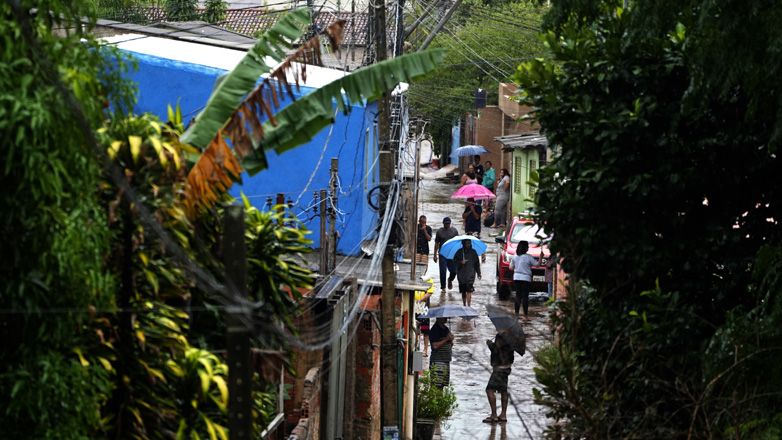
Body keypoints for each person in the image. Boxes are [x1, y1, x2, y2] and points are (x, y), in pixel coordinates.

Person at [483, 331, 515, 424]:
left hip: (499, 368)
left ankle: (494, 415)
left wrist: (490, 344)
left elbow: (497, 350)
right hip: (507, 367)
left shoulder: (501, 336)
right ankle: (503, 415)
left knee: (489, 390)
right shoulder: (511, 336)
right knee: (503, 390)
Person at [510, 241, 537, 317]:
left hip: (517, 278)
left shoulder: (515, 257)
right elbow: (537, 265)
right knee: (525, 296)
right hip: (526, 279)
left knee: (518, 296)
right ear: (526, 248)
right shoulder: (529, 257)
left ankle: (516, 313)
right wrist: (541, 257)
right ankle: (525, 314)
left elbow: (510, 267)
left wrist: (517, 267)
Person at [433, 217, 459, 294]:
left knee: (454, 271)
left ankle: (450, 279)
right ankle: (443, 287)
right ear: (443, 223)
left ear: (450, 224)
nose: (447, 225)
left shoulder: (454, 231)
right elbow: (436, 243)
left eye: (448, 224)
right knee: (443, 271)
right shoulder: (439, 232)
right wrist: (435, 255)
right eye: (446, 224)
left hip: (452, 254)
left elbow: (457, 242)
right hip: (442, 254)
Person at [454, 239, 481, 307]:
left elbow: (477, 264)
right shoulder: (459, 252)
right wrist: (461, 262)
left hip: (470, 275)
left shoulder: (473, 252)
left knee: (469, 290)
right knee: (463, 291)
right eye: (467, 243)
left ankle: (469, 306)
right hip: (461, 275)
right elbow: (454, 262)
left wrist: (479, 273)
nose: (468, 245)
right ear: (463, 244)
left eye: (469, 243)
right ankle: (464, 305)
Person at [429, 317, 455, 388]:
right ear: (438, 318)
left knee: (442, 385)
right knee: (436, 385)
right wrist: (446, 339)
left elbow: (449, 345)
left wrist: (451, 340)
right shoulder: (435, 330)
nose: (445, 319)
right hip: (438, 361)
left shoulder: (446, 329)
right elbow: (435, 346)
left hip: (446, 361)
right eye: (443, 317)